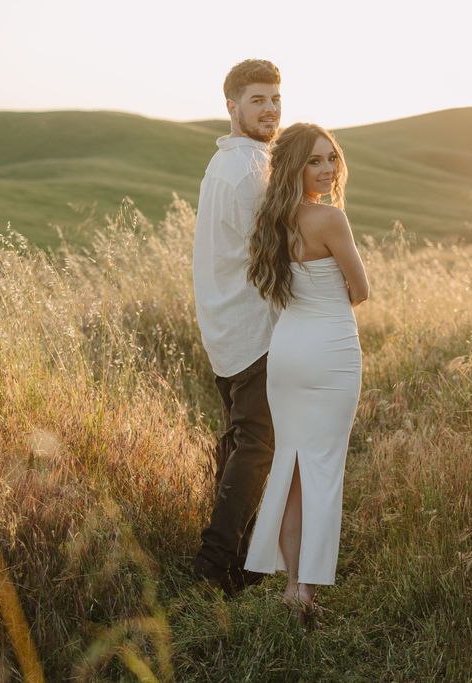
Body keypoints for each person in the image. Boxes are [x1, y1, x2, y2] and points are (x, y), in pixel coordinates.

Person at [243, 123, 368, 625]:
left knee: (292, 469)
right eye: (315, 160)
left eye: (331, 159)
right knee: (320, 469)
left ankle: (294, 586)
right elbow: (359, 289)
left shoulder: (272, 219)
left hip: (288, 349)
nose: (327, 169)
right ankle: (304, 590)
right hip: (331, 351)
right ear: (294, 167)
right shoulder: (330, 218)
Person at [191, 59, 282, 596]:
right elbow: (271, 255)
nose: (269, 109)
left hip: (227, 328)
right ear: (232, 107)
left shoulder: (224, 164)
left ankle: (239, 556)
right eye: (257, 100)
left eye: (274, 98)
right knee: (259, 446)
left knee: (239, 445)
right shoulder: (250, 172)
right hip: (252, 331)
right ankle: (213, 563)